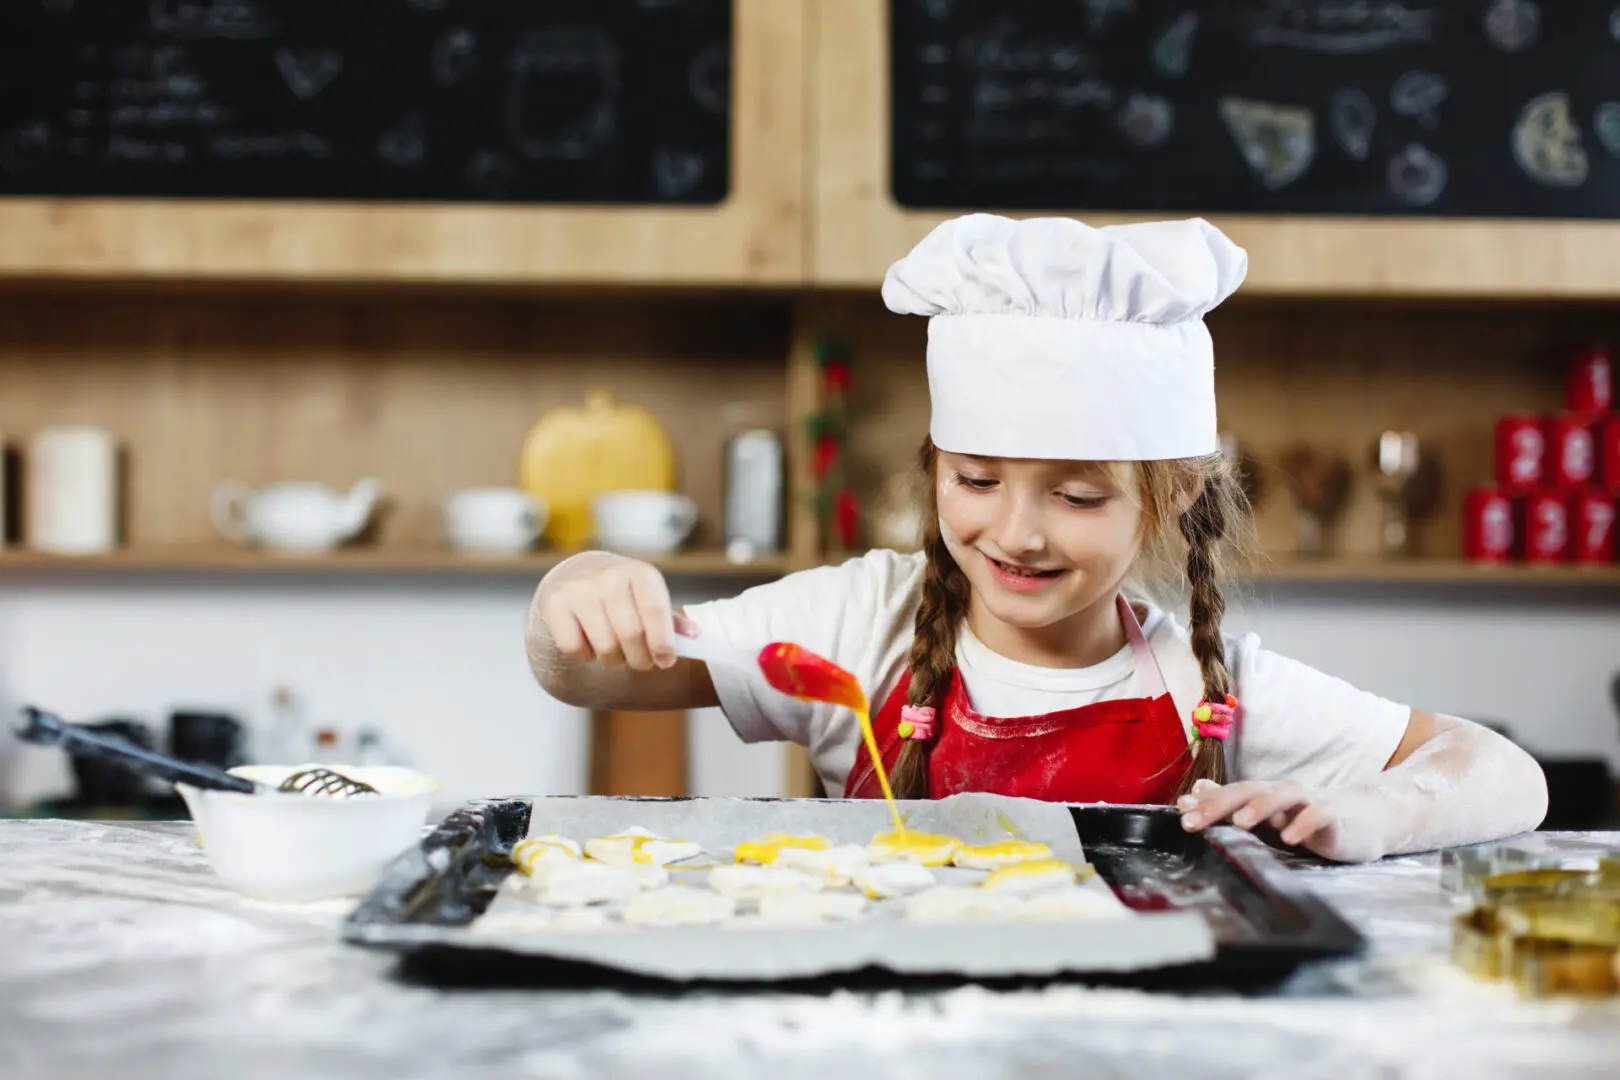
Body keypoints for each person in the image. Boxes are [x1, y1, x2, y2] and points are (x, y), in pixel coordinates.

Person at [525, 214, 1548, 864]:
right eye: (975, 479)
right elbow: (588, 676)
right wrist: (584, 588)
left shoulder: (1211, 685)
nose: (1014, 531)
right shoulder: (854, 625)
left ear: (1172, 494)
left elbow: (1503, 772)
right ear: (935, 466)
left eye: (1076, 496)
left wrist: (1375, 813)